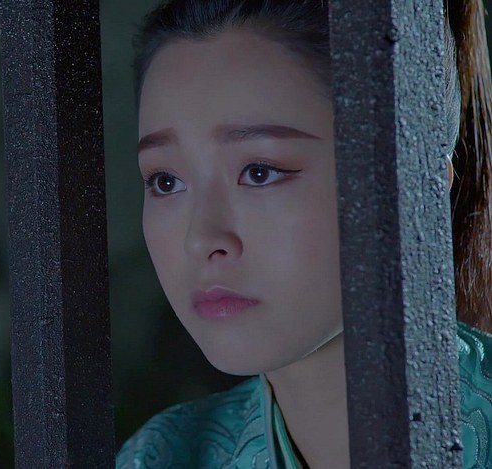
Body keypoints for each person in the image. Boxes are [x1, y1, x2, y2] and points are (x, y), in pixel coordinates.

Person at [116, 1, 492, 467]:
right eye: (166, 181)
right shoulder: (163, 457)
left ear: (416, 180)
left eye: (259, 172)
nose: (201, 239)